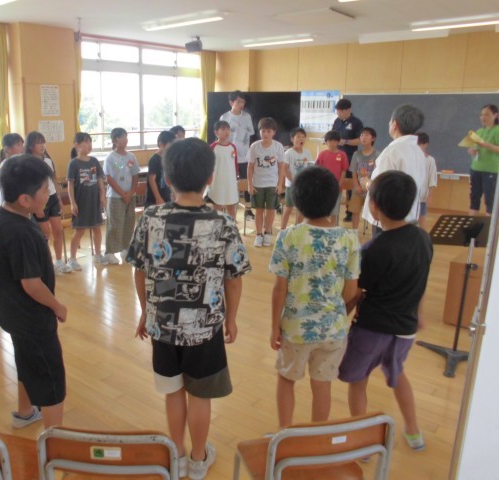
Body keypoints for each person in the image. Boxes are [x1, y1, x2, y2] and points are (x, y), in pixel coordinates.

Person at [130, 137, 251, 480]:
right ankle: (198, 460)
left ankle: (178, 456)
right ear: (210, 178)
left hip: (163, 325)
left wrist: (146, 312)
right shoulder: (223, 223)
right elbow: (234, 279)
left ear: (167, 179)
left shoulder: (150, 218)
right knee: (200, 395)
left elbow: (140, 271)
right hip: (205, 328)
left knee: (173, 392)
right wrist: (231, 319)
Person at [339, 170, 433, 452]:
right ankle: (413, 431)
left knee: (358, 381)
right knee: (397, 374)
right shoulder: (423, 239)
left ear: (375, 207)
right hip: (405, 330)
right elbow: (421, 280)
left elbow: (356, 292)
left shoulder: (373, 250)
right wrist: (419, 313)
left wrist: (339, 316)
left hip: (371, 330)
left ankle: (362, 441)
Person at [269, 166, 359, 428]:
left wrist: (274, 326)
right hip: (333, 329)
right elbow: (351, 291)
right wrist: (335, 313)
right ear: (334, 200)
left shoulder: (288, 237)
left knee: (287, 379)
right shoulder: (349, 239)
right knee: (322, 386)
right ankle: (315, 437)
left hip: (296, 328)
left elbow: (280, 289)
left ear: (297, 201)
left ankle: (284, 433)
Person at [0, 154, 68, 429]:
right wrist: (57, 306)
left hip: (15, 315)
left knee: (27, 363)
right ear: (25, 199)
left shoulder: (8, 217)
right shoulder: (20, 231)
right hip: (32, 318)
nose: (49, 194)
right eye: (45, 190)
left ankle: (25, 412)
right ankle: (55, 440)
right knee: (51, 377)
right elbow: (31, 284)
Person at [362, 104, 427, 231]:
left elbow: (381, 188)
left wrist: (367, 183)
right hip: (408, 215)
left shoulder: (391, 152)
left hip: (387, 217)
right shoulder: (418, 151)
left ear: (394, 124)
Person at [24, 131, 71, 274]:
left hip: (52, 198)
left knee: (58, 231)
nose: (42, 145)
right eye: (38, 143)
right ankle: (46, 264)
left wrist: (59, 198)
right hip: (39, 202)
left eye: (43, 142)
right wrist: (36, 208)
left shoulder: (48, 161)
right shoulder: (28, 163)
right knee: (45, 234)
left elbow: (53, 180)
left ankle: (59, 261)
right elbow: (29, 186)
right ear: (30, 146)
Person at [67, 132, 107, 270]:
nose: (89, 145)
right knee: (79, 231)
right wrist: (73, 203)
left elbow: (100, 180)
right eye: (86, 142)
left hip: (94, 202)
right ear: (77, 145)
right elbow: (70, 185)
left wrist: (102, 195)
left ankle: (98, 255)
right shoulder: (73, 164)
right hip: (81, 203)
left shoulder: (94, 161)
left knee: (97, 228)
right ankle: (72, 259)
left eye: (90, 142)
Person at [247, 117, 285, 248]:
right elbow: (250, 167)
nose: (266, 134)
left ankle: (268, 233)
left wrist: (280, 184)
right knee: (258, 211)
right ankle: (258, 235)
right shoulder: (254, 146)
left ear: (274, 132)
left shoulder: (278, 146)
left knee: (270, 210)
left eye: (269, 131)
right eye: (263, 131)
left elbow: (281, 166)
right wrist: (250, 184)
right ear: (259, 132)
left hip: (272, 184)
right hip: (257, 184)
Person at [104, 127, 139, 264]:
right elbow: (109, 179)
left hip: (130, 196)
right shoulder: (110, 158)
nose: (125, 139)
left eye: (126, 136)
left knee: (129, 223)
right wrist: (123, 194)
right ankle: (110, 252)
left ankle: (126, 248)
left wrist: (131, 193)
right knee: (115, 224)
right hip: (115, 197)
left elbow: (135, 175)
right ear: (114, 140)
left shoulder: (131, 157)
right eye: (122, 137)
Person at [220, 90, 255, 219]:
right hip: (229, 157)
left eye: (243, 102)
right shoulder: (225, 117)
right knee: (229, 183)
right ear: (231, 102)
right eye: (238, 102)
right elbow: (221, 138)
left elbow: (251, 133)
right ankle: (227, 210)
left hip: (244, 156)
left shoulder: (247, 116)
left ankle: (248, 211)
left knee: (246, 183)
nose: (241, 104)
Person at [333, 98, 363, 223]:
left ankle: (350, 212)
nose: (339, 114)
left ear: (349, 110)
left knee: (350, 184)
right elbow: (333, 135)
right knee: (336, 180)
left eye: (341, 111)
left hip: (350, 156)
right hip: (336, 156)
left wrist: (345, 141)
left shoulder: (356, 122)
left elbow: (360, 140)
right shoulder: (337, 121)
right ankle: (333, 208)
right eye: (337, 111)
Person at [468, 104, 499, 216]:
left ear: (495, 115)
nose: (483, 117)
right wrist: (472, 151)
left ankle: (489, 225)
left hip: (491, 170)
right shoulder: (479, 131)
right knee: (474, 197)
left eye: (487, 114)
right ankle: (471, 222)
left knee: (490, 199)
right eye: (481, 115)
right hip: (476, 168)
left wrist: (486, 145)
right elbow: (475, 147)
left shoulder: (497, 130)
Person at [347, 127, 380, 230]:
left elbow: (378, 173)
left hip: (371, 190)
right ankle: (354, 233)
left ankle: (374, 234)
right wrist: (357, 186)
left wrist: (370, 187)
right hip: (358, 189)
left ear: (373, 138)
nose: (363, 137)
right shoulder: (356, 154)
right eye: (361, 135)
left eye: (366, 135)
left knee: (374, 212)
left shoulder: (377, 154)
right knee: (355, 211)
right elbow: (353, 172)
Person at [281, 127, 314, 229]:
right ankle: (283, 229)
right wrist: (294, 180)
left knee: (301, 209)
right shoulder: (288, 153)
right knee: (288, 208)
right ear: (292, 139)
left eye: (303, 137)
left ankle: (297, 229)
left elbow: (310, 168)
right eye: (298, 137)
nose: (301, 139)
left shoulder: (307, 152)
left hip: (303, 186)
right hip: (291, 186)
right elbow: (284, 169)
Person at [316, 130, 349, 226]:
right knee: (323, 207)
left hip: (337, 186)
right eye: (329, 141)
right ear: (326, 142)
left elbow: (344, 170)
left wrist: (340, 183)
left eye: (334, 141)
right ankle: (323, 225)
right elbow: (318, 169)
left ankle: (332, 226)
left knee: (335, 209)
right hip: (324, 186)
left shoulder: (342, 154)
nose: (332, 143)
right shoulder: (322, 154)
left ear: (338, 142)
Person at [209, 120, 238, 218]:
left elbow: (235, 164)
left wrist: (236, 178)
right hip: (217, 182)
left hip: (230, 183)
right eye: (223, 129)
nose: (227, 131)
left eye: (228, 129)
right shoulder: (213, 147)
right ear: (216, 132)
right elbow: (208, 166)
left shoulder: (233, 147)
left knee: (231, 208)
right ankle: (217, 227)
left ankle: (231, 226)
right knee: (217, 208)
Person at [146, 130, 175, 207]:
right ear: (161, 144)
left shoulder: (169, 158)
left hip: (167, 197)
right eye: (170, 144)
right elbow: (152, 180)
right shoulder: (154, 159)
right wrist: (158, 198)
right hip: (154, 199)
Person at [416, 132, 438, 230]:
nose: (417, 146)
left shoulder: (430, 160)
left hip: (422, 196)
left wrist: (430, 195)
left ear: (425, 144)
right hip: (410, 195)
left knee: (421, 218)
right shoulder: (410, 158)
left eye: (419, 144)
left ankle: (423, 237)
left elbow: (432, 179)